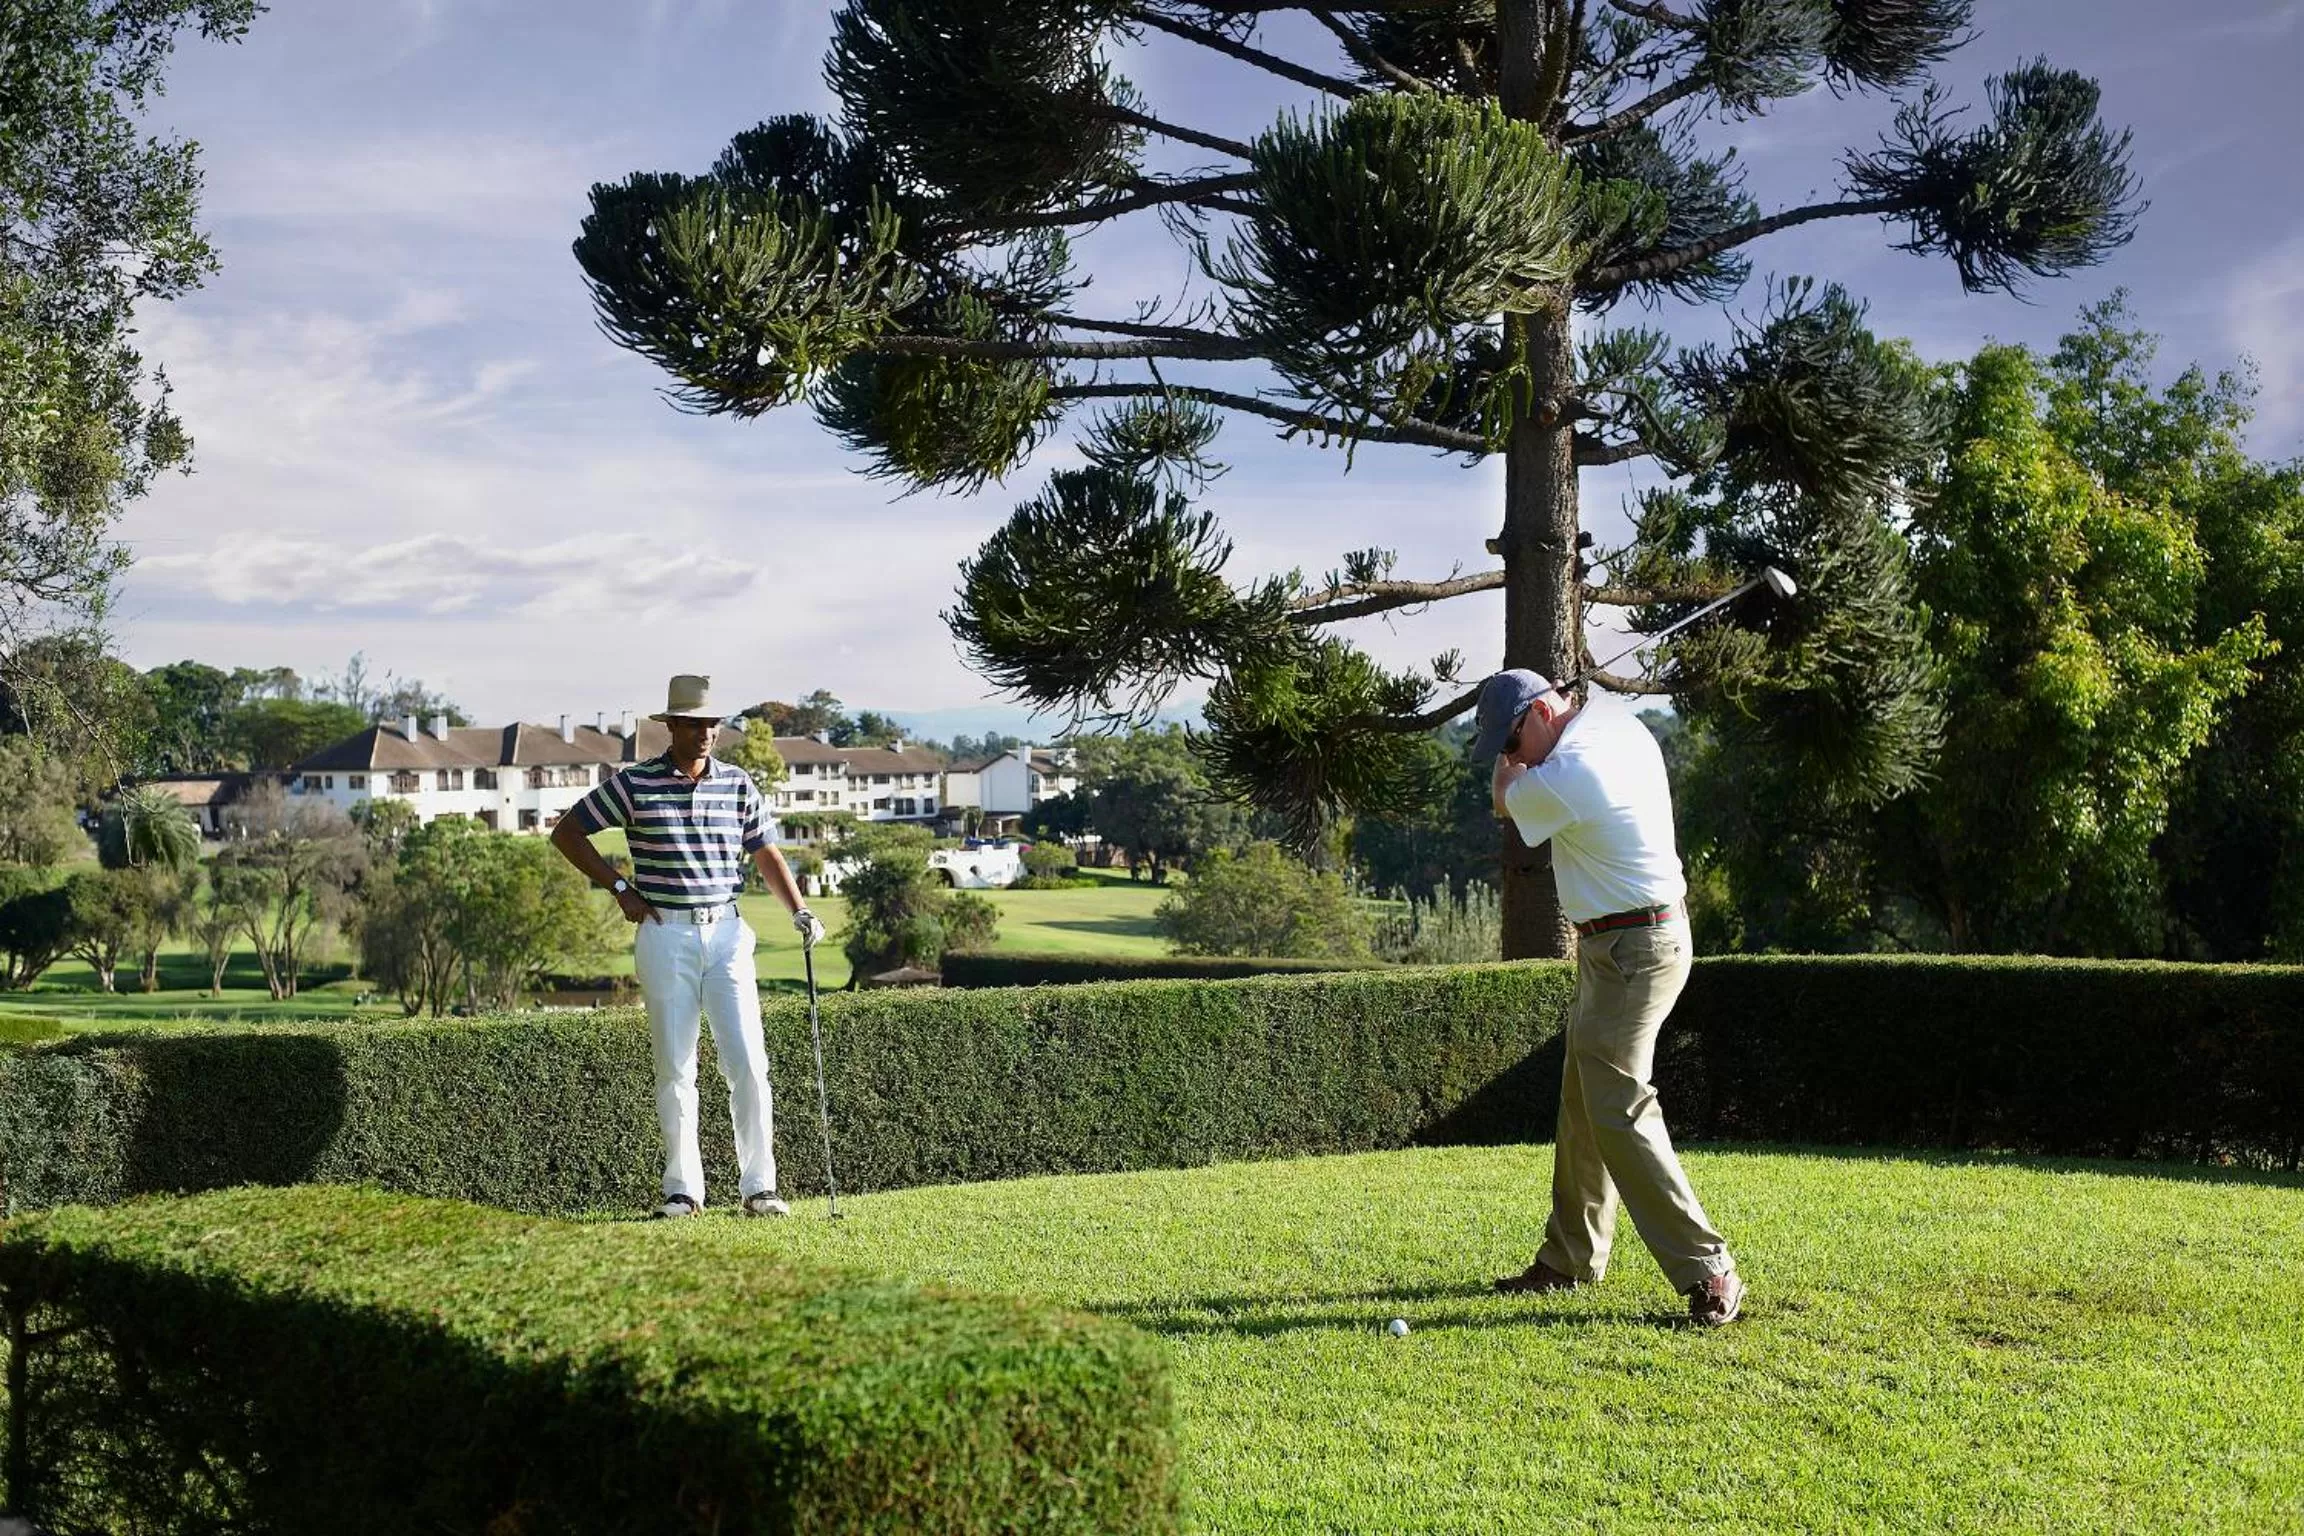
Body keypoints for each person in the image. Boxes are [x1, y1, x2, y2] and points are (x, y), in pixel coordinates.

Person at [1474, 667, 1743, 1326]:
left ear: (1540, 715)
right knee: (1581, 1096)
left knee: (1617, 1103)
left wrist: (1510, 774)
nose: (1510, 757)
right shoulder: (1616, 725)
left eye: (1511, 741)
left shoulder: (1569, 773)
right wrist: (1528, 749)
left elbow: (1502, 800)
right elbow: (1524, 771)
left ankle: (1709, 1269)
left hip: (1636, 949)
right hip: (1623, 942)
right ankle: (1570, 1258)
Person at [550, 674, 826, 1220]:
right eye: (694, 724)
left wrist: (799, 909)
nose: (705, 733)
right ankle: (683, 1191)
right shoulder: (633, 785)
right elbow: (567, 833)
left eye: (711, 724)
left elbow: (766, 853)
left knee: (748, 1062)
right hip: (665, 934)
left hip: (726, 934)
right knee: (675, 1068)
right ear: (671, 726)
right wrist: (620, 888)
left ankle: (760, 1187)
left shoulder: (739, 784)